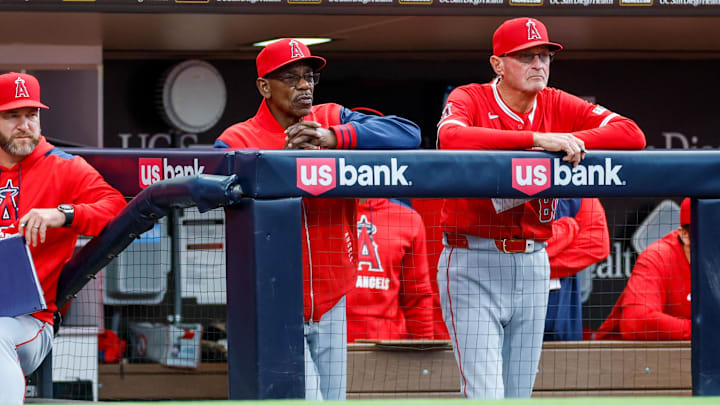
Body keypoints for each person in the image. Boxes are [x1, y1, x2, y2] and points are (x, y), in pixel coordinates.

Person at [435, 17, 646, 399]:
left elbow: (632, 134)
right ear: (497, 64)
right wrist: (535, 140)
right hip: (473, 259)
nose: (538, 65)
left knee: (520, 393)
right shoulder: (471, 96)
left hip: (534, 261)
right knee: (485, 392)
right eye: (525, 57)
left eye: (544, 56)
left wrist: (567, 139)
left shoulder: (556, 102)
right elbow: (450, 137)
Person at [214, 38, 421, 400]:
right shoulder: (239, 137)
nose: (305, 86)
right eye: (291, 78)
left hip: (332, 296)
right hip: (277, 297)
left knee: (334, 397)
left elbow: (409, 134)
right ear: (264, 86)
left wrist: (333, 137)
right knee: (308, 397)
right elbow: (217, 196)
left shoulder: (329, 117)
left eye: (309, 77)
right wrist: (280, 159)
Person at [0, 72, 126, 404]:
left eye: (32, 114)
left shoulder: (65, 168)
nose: (25, 124)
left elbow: (116, 208)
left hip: (29, 320)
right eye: (12, 115)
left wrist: (63, 214)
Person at [595, 198, 691, 341]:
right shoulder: (658, 256)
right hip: (625, 357)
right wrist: (703, 329)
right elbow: (636, 321)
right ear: (684, 235)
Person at [346, 198, 434, 342]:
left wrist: (424, 355)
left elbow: (418, 296)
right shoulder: (322, 214)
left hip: (389, 349)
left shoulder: (408, 220)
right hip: (329, 345)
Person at [544, 198, 610, 341]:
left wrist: (534, 266)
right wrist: (569, 229)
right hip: (507, 296)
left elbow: (598, 244)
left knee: (565, 361)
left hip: (560, 304)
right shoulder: (505, 185)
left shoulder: (576, 183)